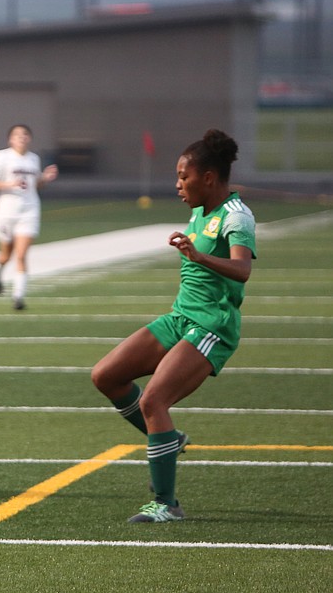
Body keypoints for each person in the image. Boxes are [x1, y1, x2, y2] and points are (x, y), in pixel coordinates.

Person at [91, 129, 255, 523]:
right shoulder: (200, 210)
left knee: (153, 402)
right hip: (180, 317)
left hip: (212, 325)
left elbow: (242, 269)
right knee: (106, 376)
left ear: (209, 178)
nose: (178, 184)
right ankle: (166, 440)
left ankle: (166, 503)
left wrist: (197, 255)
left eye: (184, 176)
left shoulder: (236, 215)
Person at [0, 123, 59, 310]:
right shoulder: (2, 156)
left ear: (29, 138)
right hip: (7, 212)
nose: (21, 137)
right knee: (6, 255)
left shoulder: (33, 159)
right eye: (17, 135)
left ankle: (18, 297)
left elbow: (36, 185)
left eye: (25, 134)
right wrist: (8, 184)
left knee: (21, 255)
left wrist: (45, 179)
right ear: (10, 139)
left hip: (29, 210)